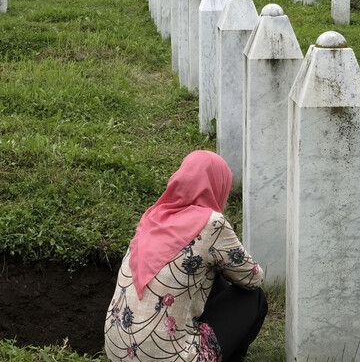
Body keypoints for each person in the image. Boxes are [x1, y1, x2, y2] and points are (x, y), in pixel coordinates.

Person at [103, 150, 267, 362]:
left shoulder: (152, 217)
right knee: (254, 298)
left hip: (118, 352)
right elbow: (253, 278)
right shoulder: (212, 222)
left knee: (205, 272)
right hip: (169, 358)